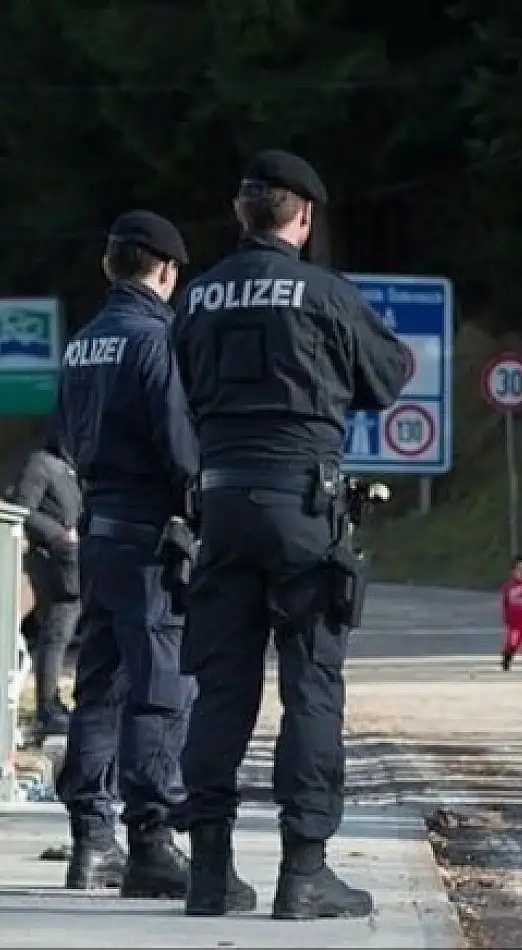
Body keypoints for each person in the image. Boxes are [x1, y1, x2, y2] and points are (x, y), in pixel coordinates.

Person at [171, 150, 408, 918]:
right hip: (304, 509)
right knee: (310, 688)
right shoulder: (325, 294)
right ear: (302, 218)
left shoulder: (198, 296)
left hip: (221, 509)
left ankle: (209, 873)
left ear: (242, 214)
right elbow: (390, 374)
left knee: (219, 688)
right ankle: (303, 873)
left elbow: (174, 394)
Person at [49, 210, 201, 898]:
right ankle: (153, 841)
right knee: (158, 689)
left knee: (98, 689)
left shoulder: (82, 343)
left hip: (98, 530)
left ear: (109, 267)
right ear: (165, 270)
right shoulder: (157, 340)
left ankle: (91, 839)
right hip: (148, 536)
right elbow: (179, 448)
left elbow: (65, 439)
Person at [9, 437, 82, 739]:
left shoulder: (73, 470)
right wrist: (58, 536)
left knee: (63, 634)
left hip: (74, 566)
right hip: (51, 564)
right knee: (55, 635)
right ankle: (47, 706)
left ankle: (54, 703)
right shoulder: (42, 464)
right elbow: (21, 509)